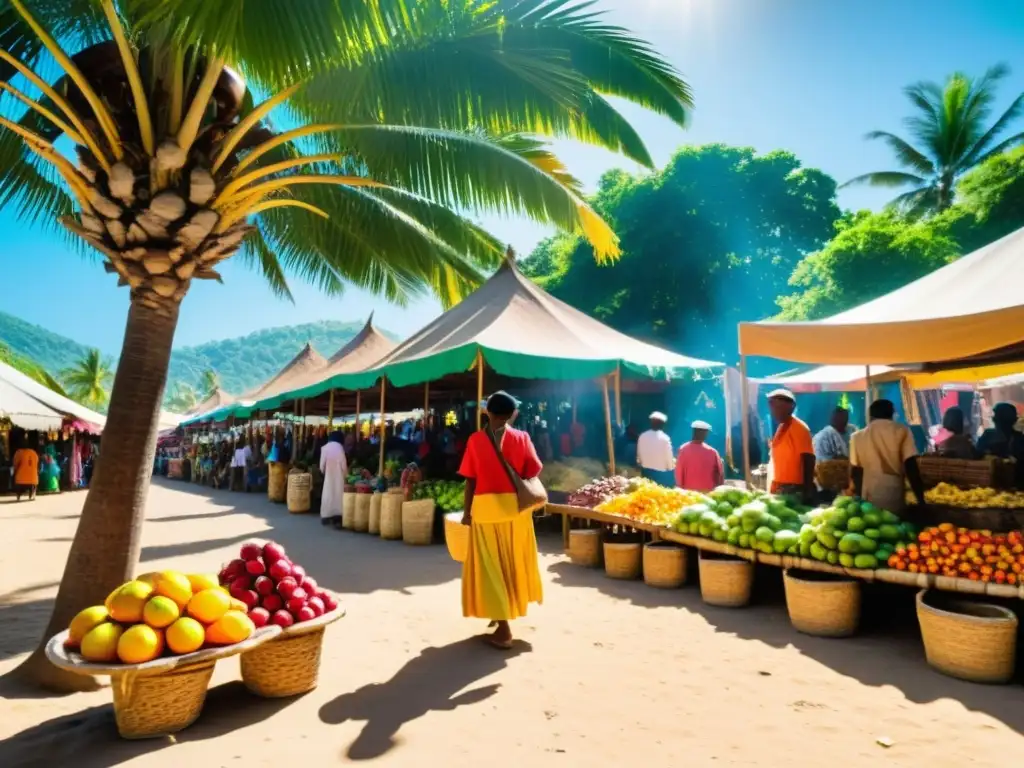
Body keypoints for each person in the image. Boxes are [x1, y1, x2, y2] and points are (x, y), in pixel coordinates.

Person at [459, 390, 543, 650]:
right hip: (516, 510)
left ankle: (504, 629)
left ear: (487, 412)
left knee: (490, 567)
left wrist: (466, 513)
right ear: (512, 414)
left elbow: (470, 480)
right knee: (512, 562)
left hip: (486, 509)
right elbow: (532, 471)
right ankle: (501, 613)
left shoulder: (475, 440)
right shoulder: (522, 437)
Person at [850, 399, 925, 512]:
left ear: (870, 415)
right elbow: (911, 467)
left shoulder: (857, 436)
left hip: (869, 497)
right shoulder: (901, 431)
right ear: (892, 413)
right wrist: (921, 500)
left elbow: (856, 471)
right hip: (894, 495)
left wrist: (859, 498)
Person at [766, 389, 815, 501]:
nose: (773, 412)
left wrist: (807, 491)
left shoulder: (800, 428)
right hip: (779, 487)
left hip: (794, 489)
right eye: (772, 407)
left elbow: (809, 459)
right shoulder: (781, 427)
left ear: (790, 407)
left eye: (777, 407)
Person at [977, 403, 1024, 487]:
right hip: (989, 483)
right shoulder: (988, 435)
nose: (993, 418)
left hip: (1014, 484)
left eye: (996, 416)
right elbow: (978, 454)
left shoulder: (1019, 438)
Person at [675, 420, 724, 492]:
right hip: (707, 493)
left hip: (688, 493)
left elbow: (679, 472)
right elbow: (720, 474)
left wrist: (680, 488)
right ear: (705, 433)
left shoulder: (683, 449)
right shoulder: (712, 452)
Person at [636, 411, 675, 486]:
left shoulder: (642, 436)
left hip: (645, 472)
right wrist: (670, 468)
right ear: (663, 425)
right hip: (661, 475)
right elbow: (669, 460)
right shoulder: (665, 438)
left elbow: (639, 456)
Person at [319, 430, 347, 527]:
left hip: (328, 476)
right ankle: (338, 517)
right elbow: (344, 465)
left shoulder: (325, 448)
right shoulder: (340, 448)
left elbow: (321, 465)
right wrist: (345, 475)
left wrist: (323, 472)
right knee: (338, 496)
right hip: (339, 477)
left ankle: (326, 516)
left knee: (327, 495)